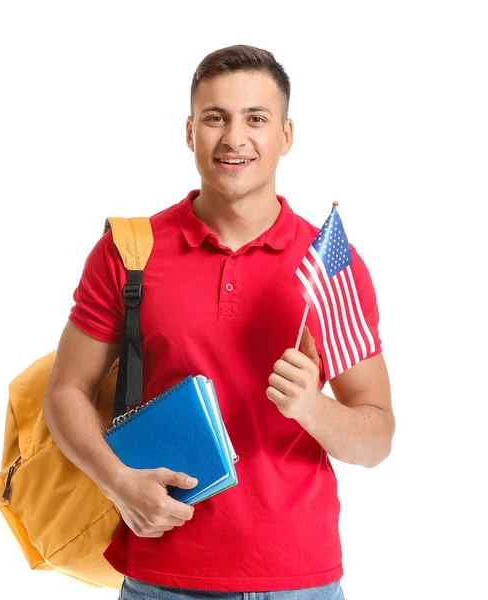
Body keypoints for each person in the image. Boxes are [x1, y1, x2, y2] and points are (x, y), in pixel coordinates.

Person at [43, 44, 395, 600]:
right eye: (215, 118)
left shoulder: (330, 267)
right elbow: (66, 391)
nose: (235, 138)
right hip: (164, 575)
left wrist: (312, 407)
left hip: (300, 577)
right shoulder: (129, 251)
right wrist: (118, 482)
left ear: (286, 135)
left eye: (256, 118)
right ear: (190, 131)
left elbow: (376, 439)